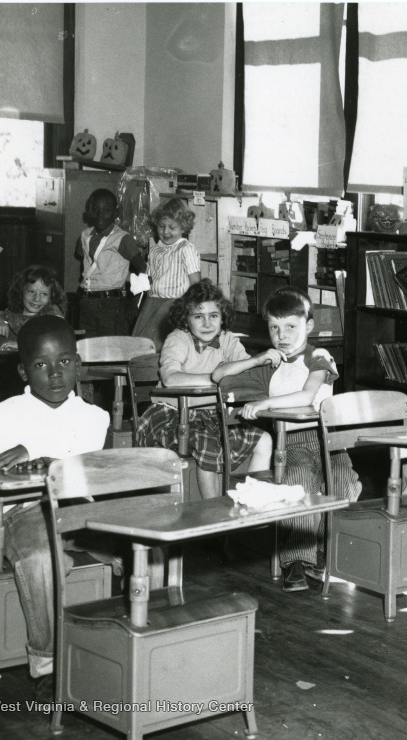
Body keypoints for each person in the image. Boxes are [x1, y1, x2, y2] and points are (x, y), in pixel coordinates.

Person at [0, 316, 111, 698]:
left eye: (64, 362)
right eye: (40, 365)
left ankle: (118, 651)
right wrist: (25, 463)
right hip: (25, 511)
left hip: (82, 511)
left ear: (78, 364)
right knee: (40, 556)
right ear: (22, 370)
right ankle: (48, 661)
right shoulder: (2, 415)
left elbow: (90, 463)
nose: (54, 374)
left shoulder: (95, 416)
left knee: (145, 548)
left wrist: (41, 454)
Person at [216, 287, 360, 593]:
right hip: (290, 444)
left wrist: (266, 404)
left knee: (342, 481)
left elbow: (308, 394)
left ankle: (322, 551)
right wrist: (255, 361)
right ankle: (296, 560)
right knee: (299, 483)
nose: (282, 335)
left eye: (291, 326)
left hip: (330, 441)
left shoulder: (318, 355)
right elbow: (219, 377)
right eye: (274, 328)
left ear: (308, 326)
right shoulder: (270, 365)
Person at [134, 280, 272, 499]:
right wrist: (215, 378)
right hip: (175, 415)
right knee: (209, 445)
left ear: (222, 317)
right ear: (186, 320)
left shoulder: (227, 339)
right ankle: (214, 512)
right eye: (198, 316)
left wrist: (258, 362)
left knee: (264, 440)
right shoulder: (178, 338)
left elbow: (246, 372)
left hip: (213, 415)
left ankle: (252, 502)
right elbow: (170, 378)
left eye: (214, 315)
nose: (207, 323)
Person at [132, 197, 202, 349]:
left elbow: (196, 283)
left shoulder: (186, 249)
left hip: (174, 305)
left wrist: (195, 308)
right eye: (161, 226)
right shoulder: (155, 250)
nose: (165, 232)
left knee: (166, 347)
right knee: (144, 346)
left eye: (172, 227)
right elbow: (149, 279)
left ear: (183, 228)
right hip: (151, 304)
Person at [74, 188, 145, 337]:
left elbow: (144, 269)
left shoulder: (122, 239)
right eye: (95, 209)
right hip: (87, 302)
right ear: (88, 211)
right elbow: (85, 260)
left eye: (106, 210)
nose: (100, 214)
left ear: (116, 213)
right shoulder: (84, 236)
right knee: (86, 347)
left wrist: (135, 301)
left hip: (111, 305)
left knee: (111, 349)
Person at [0, 265, 66, 352]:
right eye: (31, 292)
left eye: (44, 294)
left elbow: (55, 341)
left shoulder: (52, 315)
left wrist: (22, 346)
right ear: (21, 291)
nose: (36, 298)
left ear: (51, 296)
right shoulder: (11, 314)